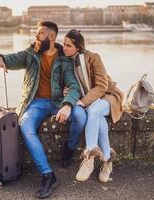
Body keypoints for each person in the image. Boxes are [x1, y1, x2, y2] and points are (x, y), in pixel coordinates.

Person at [0, 22, 86, 198]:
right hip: (35, 103)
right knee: (25, 125)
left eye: (40, 34)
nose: (36, 37)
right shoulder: (30, 54)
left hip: (58, 101)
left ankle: (70, 148)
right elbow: (10, 59)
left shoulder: (64, 59)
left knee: (81, 115)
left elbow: (73, 86)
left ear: (51, 37)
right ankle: (48, 175)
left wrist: (67, 104)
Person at [62, 29, 124, 183]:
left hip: (107, 97)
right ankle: (107, 161)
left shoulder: (94, 58)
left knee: (95, 110)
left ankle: (89, 156)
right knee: (98, 120)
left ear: (78, 48)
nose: (64, 48)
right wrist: (66, 90)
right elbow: (72, 84)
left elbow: (102, 86)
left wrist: (82, 102)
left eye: (68, 45)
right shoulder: (67, 62)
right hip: (91, 101)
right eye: (63, 44)